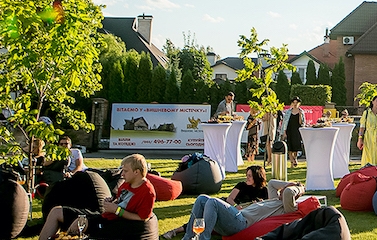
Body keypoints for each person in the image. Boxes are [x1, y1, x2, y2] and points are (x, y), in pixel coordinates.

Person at [41, 154, 156, 240]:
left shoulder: (147, 192)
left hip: (116, 225)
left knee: (76, 226)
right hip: (105, 216)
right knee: (56, 211)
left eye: (125, 171)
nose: (122, 174)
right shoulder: (127, 183)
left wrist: (117, 210)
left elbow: (143, 218)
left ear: (136, 172)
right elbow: (122, 200)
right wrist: (112, 201)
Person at [163, 175, 302, 240]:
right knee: (202, 199)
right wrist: (287, 184)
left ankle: (203, 238)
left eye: (285, 188)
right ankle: (188, 236)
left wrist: (299, 187)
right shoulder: (274, 199)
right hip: (235, 217)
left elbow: (289, 192)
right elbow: (272, 183)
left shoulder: (286, 207)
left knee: (213, 202)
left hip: (241, 223)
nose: (282, 188)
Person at [358, 94, 377, 166]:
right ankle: (367, 171)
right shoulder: (366, 113)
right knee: (368, 154)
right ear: (373, 102)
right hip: (369, 136)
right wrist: (360, 139)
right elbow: (362, 127)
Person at [285, 97, 306, 167]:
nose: (295, 104)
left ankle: (295, 158)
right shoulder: (288, 112)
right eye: (294, 103)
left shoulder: (301, 112)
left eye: (296, 103)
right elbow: (285, 123)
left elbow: (301, 123)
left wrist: (300, 115)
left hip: (297, 131)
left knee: (296, 147)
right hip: (289, 130)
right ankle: (292, 162)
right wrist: (284, 131)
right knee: (289, 147)